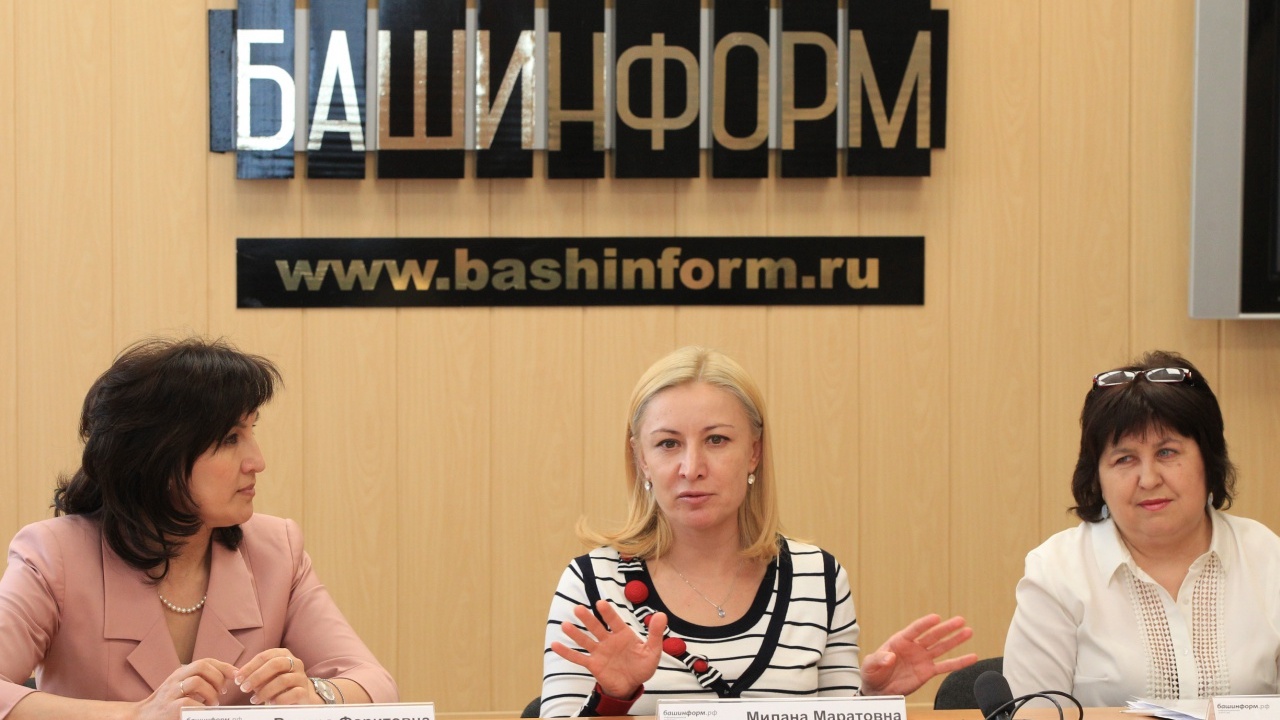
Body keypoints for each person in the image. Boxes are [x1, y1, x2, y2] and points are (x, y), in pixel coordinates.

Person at [540, 346, 975, 716]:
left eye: (716, 440)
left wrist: (873, 701)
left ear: (754, 452)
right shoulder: (592, 584)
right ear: (642, 460)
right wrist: (613, 698)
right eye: (668, 443)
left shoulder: (818, 578)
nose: (692, 468)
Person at [0, 337, 398, 719]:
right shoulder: (54, 555)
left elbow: (374, 682)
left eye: (252, 431)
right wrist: (135, 715)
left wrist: (318, 695)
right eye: (230, 438)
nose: (257, 462)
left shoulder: (277, 550)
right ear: (158, 456)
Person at [1004, 350, 1280, 706]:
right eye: (1125, 459)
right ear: (1097, 477)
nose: (1148, 479)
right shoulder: (1056, 573)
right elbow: (1034, 714)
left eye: (1167, 453)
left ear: (1209, 460)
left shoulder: (1267, 558)